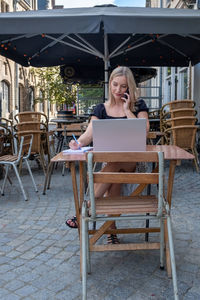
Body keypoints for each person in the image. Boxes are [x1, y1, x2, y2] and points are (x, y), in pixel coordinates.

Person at [66, 66, 150, 244]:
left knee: (114, 164)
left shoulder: (138, 105)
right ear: (110, 84)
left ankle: (87, 209)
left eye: (123, 86)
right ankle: (111, 232)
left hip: (135, 164)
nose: (118, 90)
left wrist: (128, 111)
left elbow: (144, 132)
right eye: (115, 85)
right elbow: (89, 134)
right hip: (112, 166)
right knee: (114, 171)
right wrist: (78, 143)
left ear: (130, 87)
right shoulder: (101, 109)